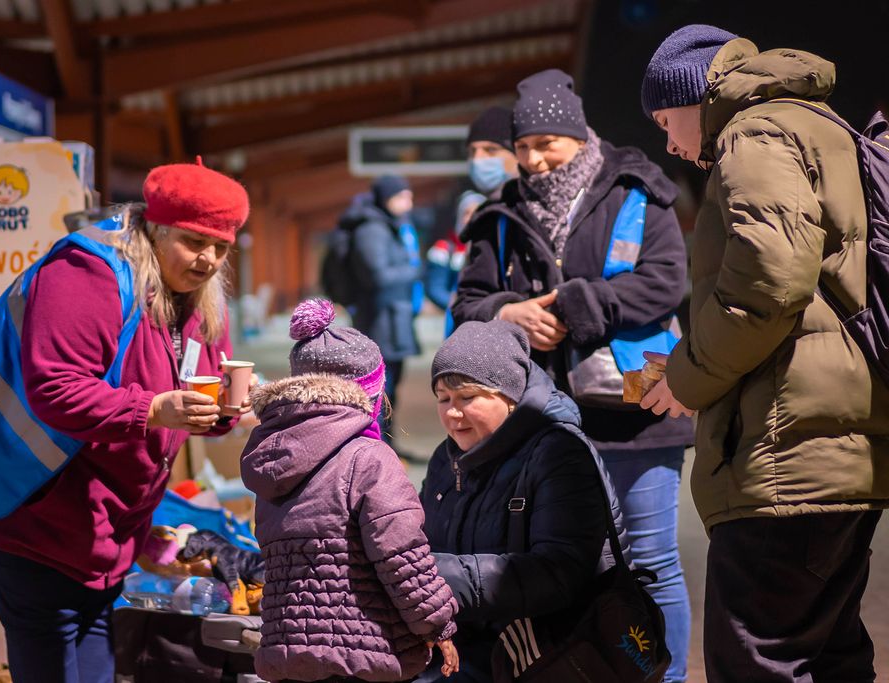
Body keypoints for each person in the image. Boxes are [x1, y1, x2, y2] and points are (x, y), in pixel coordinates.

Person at [0, 158, 255, 683]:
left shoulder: (199, 299)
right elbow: (55, 391)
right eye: (195, 241)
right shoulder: (88, 275)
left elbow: (199, 388)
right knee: (53, 639)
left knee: (93, 638)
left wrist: (224, 412)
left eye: (221, 247)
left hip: (101, 520)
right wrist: (151, 408)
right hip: (28, 503)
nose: (209, 260)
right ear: (156, 226)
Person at [641, 25, 889, 682]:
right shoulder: (819, 125)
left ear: (698, 94)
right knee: (828, 655)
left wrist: (689, 376)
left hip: (788, 450)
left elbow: (768, 284)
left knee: (759, 659)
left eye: (667, 120)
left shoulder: (754, 134)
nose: (669, 142)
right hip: (836, 443)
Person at [451, 68, 693, 681]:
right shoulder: (497, 215)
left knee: (650, 561)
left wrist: (575, 306)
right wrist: (508, 313)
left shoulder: (637, 190)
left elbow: (668, 282)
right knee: (561, 562)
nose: (531, 159)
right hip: (537, 421)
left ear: (579, 135)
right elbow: (466, 303)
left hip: (641, 406)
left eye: (545, 143)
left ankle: (660, 674)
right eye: (522, 145)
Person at [241, 298, 459, 683]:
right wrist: (437, 624)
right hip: (365, 655)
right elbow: (401, 555)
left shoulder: (272, 460)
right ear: (371, 396)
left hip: (288, 656)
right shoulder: (369, 459)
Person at [415, 320, 628, 682]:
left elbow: (561, 572)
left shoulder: (560, 452)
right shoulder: (446, 458)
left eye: (467, 398)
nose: (452, 413)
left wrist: (433, 577)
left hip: (552, 650)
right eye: (443, 399)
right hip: (467, 642)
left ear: (510, 397)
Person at [344, 175, 423, 443]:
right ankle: (377, 446)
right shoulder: (372, 230)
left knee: (391, 391)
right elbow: (377, 276)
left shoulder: (391, 226)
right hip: (379, 322)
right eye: (403, 196)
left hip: (392, 319)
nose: (409, 202)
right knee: (378, 392)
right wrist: (414, 271)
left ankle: (388, 445)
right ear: (387, 199)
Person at [426, 191, 485, 336]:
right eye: (466, 213)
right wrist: (458, 303)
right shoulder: (445, 249)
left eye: (477, 212)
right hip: (457, 322)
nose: (471, 217)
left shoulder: (497, 249)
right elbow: (435, 288)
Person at [466, 106, 519, 198]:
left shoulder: (531, 205)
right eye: (473, 151)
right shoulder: (472, 205)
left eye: (491, 150)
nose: (477, 158)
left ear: (518, 154)